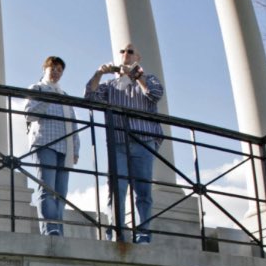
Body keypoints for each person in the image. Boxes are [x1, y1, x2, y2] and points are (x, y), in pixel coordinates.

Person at [84, 43, 164, 243]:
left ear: (138, 57)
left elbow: (154, 94)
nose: (125, 54)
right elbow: (89, 97)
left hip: (143, 142)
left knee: (143, 191)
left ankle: (143, 235)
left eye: (130, 51)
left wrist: (136, 76)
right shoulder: (110, 86)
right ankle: (116, 233)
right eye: (122, 51)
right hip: (118, 144)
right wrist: (99, 73)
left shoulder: (149, 79)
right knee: (116, 191)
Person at [25, 55, 80, 236]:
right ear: (45, 69)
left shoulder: (64, 96)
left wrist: (76, 149)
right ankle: (50, 228)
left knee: (61, 193)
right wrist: (48, 98)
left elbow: (73, 124)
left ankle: (58, 228)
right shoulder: (37, 88)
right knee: (47, 188)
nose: (56, 72)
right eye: (53, 68)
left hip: (65, 148)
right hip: (45, 143)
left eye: (59, 70)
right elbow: (29, 114)